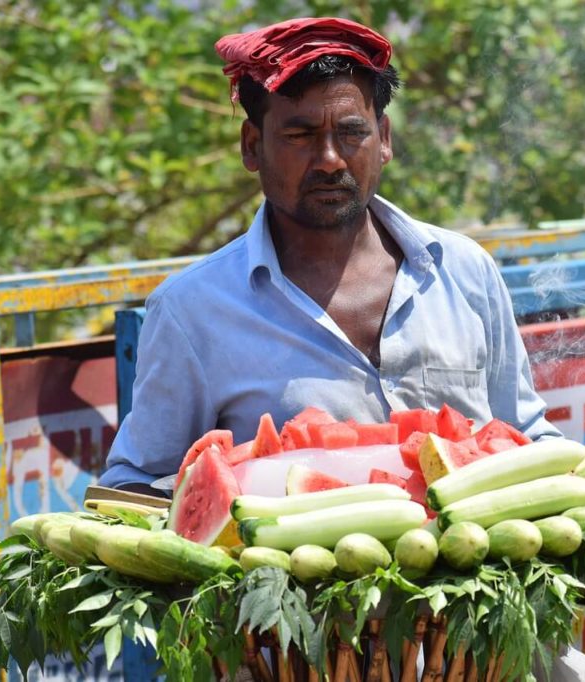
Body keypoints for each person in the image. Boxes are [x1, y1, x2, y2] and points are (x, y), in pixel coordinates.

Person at [101, 16, 561, 493]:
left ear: (383, 140)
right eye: (299, 136)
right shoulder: (191, 309)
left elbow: (522, 436)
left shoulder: (464, 271)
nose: (329, 159)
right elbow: (132, 485)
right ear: (252, 146)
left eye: (350, 132)